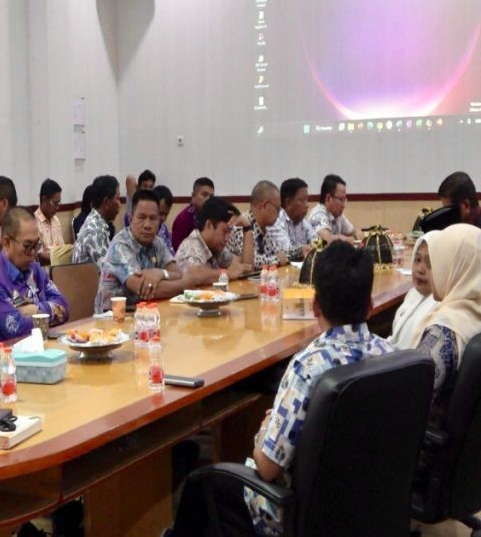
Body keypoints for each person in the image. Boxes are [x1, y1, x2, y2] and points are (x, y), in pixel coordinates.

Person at [169, 241, 393, 536]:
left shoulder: (308, 368)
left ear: (315, 305)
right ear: (370, 305)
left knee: (200, 484)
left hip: (295, 513)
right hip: (367, 505)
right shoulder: (392, 356)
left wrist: (265, 429)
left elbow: (267, 467)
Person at [95, 190, 209, 312]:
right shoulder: (120, 246)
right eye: (142, 217)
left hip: (146, 314)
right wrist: (185, 284)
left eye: (153, 218)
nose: (147, 225)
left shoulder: (157, 242)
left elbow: (177, 272)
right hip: (114, 318)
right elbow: (147, 291)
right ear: (131, 219)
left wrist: (160, 273)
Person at [412, 224, 481, 425]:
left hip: (424, 438)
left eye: (436, 263)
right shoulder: (474, 313)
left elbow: (409, 403)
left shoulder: (443, 332)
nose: (430, 271)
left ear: (455, 268)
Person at [0, 208, 69, 342]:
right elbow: (17, 329)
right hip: (12, 351)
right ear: (7, 243)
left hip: (45, 345)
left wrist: (35, 310)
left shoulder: (35, 269)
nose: (33, 253)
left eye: (36, 245)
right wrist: (51, 310)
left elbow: (64, 307)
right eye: (27, 246)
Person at [175, 197, 252, 281]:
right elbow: (194, 274)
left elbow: (245, 268)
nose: (227, 238)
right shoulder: (191, 245)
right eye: (225, 231)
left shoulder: (216, 247)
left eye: (229, 232)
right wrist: (227, 273)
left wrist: (247, 228)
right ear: (209, 225)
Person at [388, 232, 437, 349]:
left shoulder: (440, 308)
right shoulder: (413, 294)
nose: (420, 269)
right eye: (417, 259)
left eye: (430, 264)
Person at [226, 180, 287, 268]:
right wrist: (276, 260)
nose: (279, 213)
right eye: (277, 208)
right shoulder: (242, 225)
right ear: (265, 205)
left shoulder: (263, 228)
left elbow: (278, 254)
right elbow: (248, 264)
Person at [72, 175, 121, 269]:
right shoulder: (94, 232)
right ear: (106, 202)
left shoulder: (97, 223)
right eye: (117, 198)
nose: (120, 204)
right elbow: (108, 273)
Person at [268, 177, 316, 260]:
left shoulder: (303, 222)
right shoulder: (276, 221)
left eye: (307, 200)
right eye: (302, 200)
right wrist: (302, 250)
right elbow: (286, 252)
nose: (307, 205)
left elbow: (319, 243)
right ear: (288, 203)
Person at [308, 174, 364, 243]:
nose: (344, 205)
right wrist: (351, 239)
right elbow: (327, 240)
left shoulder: (337, 215)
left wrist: (357, 233)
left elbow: (354, 230)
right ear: (328, 198)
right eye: (341, 199)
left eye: (344, 200)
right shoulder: (317, 215)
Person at [171, 177, 215, 251]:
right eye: (204, 195)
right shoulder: (183, 219)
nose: (208, 199)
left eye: (211, 196)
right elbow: (178, 252)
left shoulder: (212, 216)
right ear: (193, 195)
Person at [34, 178, 66, 265]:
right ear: (44, 199)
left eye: (59, 203)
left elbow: (62, 249)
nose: (57, 207)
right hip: (44, 270)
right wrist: (59, 259)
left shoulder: (56, 220)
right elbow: (38, 256)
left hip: (59, 269)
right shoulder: (33, 222)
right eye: (55, 203)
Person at [153, 185, 175, 255]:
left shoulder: (164, 229)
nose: (164, 218)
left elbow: (170, 254)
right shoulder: (143, 228)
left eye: (166, 214)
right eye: (160, 213)